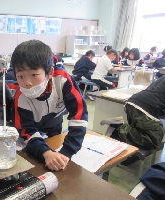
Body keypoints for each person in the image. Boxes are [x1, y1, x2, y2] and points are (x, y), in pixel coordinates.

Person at [11, 39, 88, 171]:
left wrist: (65, 153)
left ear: (50, 72)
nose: (27, 83)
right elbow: (27, 132)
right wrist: (46, 153)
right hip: (34, 130)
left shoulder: (63, 81)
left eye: (34, 74)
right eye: (20, 76)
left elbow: (79, 116)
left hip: (55, 125)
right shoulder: (21, 97)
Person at [101, 76, 165, 154]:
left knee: (141, 134)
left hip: (135, 102)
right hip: (145, 107)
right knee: (153, 140)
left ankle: (120, 129)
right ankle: (119, 126)